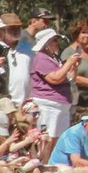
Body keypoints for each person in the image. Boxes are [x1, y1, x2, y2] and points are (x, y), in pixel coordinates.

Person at [28, 27, 81, 155]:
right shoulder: (40, 58)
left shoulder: (54, 58)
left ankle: (52, 163)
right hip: (48, 104)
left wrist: (74, 67)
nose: (57, 43)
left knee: (59, 139)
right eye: (54, 40)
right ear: (46, 43)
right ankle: (43, 163)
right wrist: (69, 63)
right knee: (47, 138)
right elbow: (55, 78)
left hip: (61, 105)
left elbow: (70, 78)